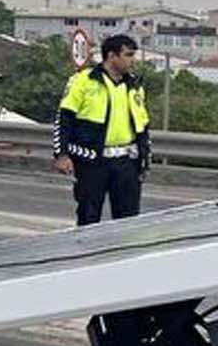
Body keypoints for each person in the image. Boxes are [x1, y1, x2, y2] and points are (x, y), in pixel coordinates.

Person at [53, 34, 151, 226]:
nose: (133, 60)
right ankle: (85, 254)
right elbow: (64, 118)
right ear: (112, 56)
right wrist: (61, 154)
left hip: (126, 162)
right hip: (92, 161)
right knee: (89, 216)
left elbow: (142, 124)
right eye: (128, 55)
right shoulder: (84, 80)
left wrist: (144, 160)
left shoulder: (134, 85)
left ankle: (123, 256)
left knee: (128, 221)